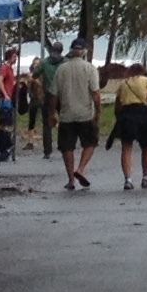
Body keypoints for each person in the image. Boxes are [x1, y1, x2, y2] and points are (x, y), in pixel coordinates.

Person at [49, 38, 101, 191]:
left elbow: (53, 95)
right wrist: (98, 112)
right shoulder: (90, 69)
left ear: (71, 51)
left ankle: (71, 179)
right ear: (85, 52)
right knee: (90, 143)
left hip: (66, 115)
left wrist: (51, 114)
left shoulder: (61, 69)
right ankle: (81, 169)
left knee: (67, 148)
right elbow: (96, 94)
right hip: (85, 114)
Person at [107, 60, 147, 190]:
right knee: (146, 146)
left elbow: (118, 105)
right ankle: (145, 177)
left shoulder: (123, 83)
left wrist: (119, 118)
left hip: (126, 115)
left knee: (126, 148)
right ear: (144, 72)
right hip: (143, 114)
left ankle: (128, 179)